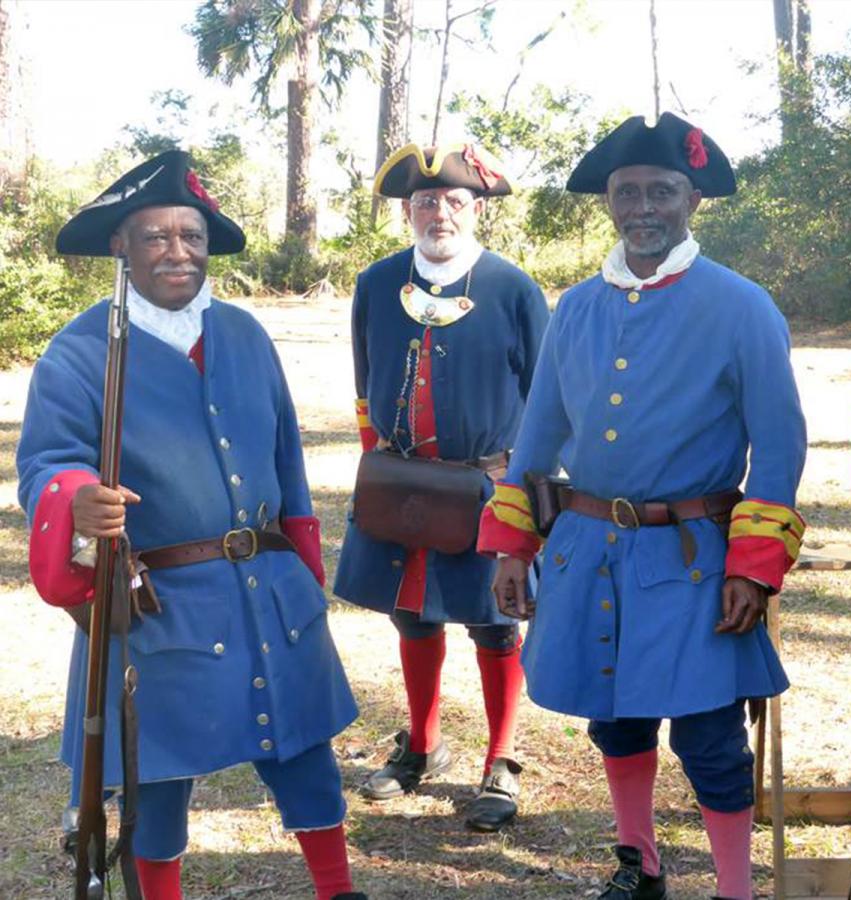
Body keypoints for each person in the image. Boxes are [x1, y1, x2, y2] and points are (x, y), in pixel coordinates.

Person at [17, 150, 365, 900]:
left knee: (306, 752)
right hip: (163, 602)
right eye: (157, 236)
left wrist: (303, 571)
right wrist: (76, 496)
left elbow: (289, 463)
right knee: (158, 774)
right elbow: (46, 465)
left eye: (192, 236)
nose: (178, 251)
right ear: (121, 246)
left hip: (269, 590)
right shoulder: (80, 353)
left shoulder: (244, 334)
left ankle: (339, 892)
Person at [478, 113, 806, 900]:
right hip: (588, 552)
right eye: (628, 192)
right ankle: (640, 865)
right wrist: (512, 546)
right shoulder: (578, 307)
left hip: (693, 559)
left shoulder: (742, 306)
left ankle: (735, 888)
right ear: (609, 203)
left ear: (693, 197)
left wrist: (755, 567)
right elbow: (537, 436)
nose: (644, 207)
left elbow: (781, 447)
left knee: (710, 737)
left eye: (662, 190)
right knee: (616, 721)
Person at [333, 142, 548, 832]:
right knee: (412, 614)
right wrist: (383, 474)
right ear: (406, 210)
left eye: (455, 201)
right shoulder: (376, 283)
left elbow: (544, 399)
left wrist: (524, 492)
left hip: (486, 488)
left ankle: (502, 757)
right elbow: (366, 384)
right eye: (426, 201)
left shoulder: (513, 288)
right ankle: (422, 745)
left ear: (476, 208)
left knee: (494, 623)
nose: (440, 213)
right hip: (402, 486)